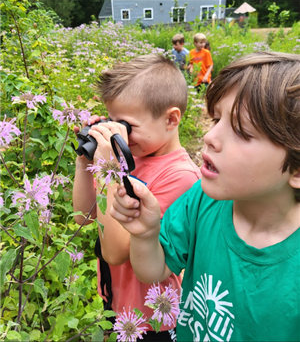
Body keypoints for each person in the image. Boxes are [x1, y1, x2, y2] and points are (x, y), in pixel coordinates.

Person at [110, 51, 300, 342]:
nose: (210, 137)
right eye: (216, 120)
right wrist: (146, 234)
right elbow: (154, 270)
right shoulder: (202, 200)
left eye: (241, 131)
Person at [73, 54, 201, 341]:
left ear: (171, 119)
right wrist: (87, 161)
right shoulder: (130, 159)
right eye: (112, 123)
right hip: (117, 304)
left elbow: (116, 253)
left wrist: (110, 167)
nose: (121, 137)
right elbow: (83, 217)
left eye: (126, 127)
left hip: (154, 319)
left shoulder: (181, 177)